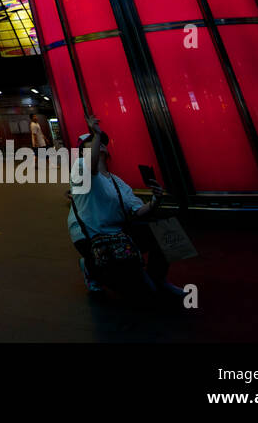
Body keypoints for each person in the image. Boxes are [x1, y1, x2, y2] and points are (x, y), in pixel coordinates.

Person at [68, 111, 180, 300]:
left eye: (102, 140)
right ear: (83, 151)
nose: (100, 142)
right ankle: (90, 266)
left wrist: (155, 201)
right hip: (90, 237)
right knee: (137, 293)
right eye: (93, 141)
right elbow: (92, 166)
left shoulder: (117, 181)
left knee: (167, 225)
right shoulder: (80, 167)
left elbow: (137, 210)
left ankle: (160, 278)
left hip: (119, 235)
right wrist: (95, 133)